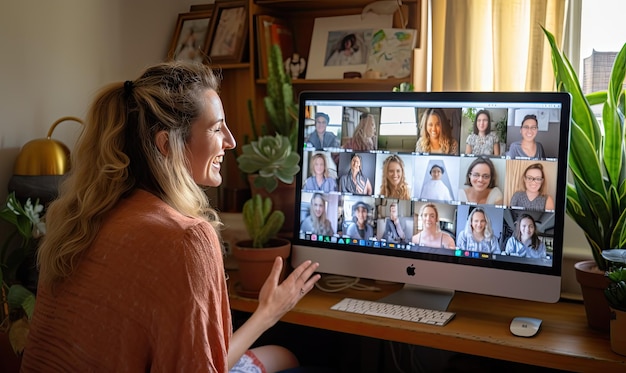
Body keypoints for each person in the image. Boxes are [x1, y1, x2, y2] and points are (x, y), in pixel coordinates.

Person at [20, 62, 320, 373]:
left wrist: (266, 313)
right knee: (299, 360)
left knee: (281, 354)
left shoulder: (81, 218)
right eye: (217, 128)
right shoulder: (186, 239)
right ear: (167, 144)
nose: (230, 141)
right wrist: (267, 314)